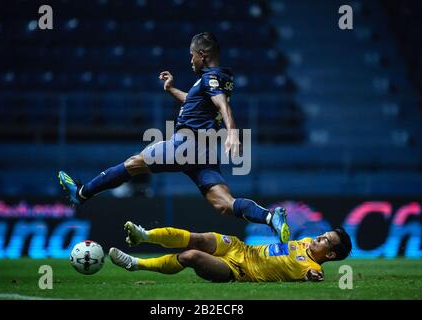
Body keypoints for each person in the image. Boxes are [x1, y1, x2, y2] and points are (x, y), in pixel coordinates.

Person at [57, 32, 289, 242]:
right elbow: (198, 101)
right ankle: (270, 218)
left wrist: (233, 133)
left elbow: (222, 104)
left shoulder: (210, 79)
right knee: (224, 204)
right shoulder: (219, 78)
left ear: (202, 54)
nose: (190, 61)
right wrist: (170, 89)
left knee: (132, 164)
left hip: (186, 145)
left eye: (191, 56)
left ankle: (82, 194)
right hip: (204, 152)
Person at [108, 221, 352, 282]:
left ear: (330, 255)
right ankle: (145, 235)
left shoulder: (311, 267)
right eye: (323, 234)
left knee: (190, 255)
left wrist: (314, 277)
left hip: (239, 270)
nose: (319, 237)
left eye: (325, 240)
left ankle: (135, 263)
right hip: (239, 247)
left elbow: (314, 276)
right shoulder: (308, 241)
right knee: (198, 238)